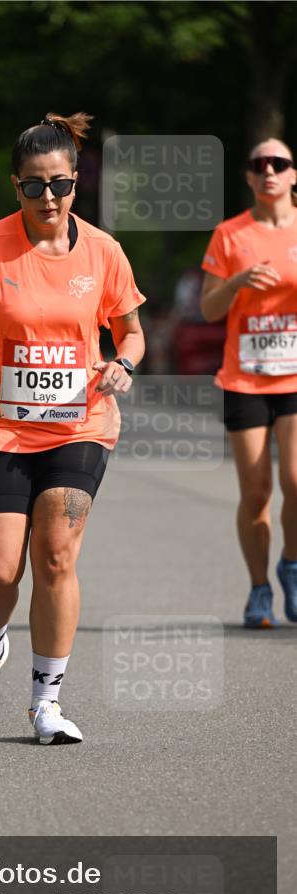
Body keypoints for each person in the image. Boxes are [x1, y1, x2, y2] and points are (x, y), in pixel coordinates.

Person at [0, 112, 145, 745]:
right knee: (1, 571)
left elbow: (129, 328)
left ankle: (46, 702)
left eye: (59, 184)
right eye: (33, 186)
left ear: (76, 183)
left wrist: (124, 362)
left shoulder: (104, 251)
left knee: (56, 553)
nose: (47, 197)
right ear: (14, 186)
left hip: (79, 422)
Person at [201, 138, 297, 627]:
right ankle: (260, 589)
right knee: (257, 493)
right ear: (249, 177)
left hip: (296, 377)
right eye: (259, 165)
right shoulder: (230, 234)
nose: (269, 172)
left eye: (278, 163)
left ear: (293, 174)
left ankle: (292, 566)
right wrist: (236, 283)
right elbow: (208, 308)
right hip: (246, 380)